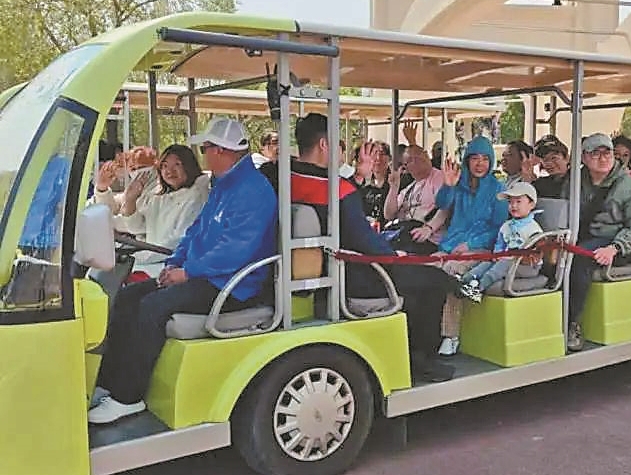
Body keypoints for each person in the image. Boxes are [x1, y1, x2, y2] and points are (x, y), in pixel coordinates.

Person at [88, 116, 278, 424]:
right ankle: (110, 382)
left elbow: (235, 249)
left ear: (220, 150)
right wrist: (175, 263)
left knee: (152, 306)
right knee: (127, 297)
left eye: (205, 148)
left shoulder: (253, 191)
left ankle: (128, 397)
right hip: (206, 275)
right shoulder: (224, 185)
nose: (204, 155)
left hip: (233, 284)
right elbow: (196, 232)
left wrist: (187, 272)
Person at [280, 112, 455, 382]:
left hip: (317, 270)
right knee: (434, 280)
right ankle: (420, 359)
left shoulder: (283, 176)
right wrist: (395, 256)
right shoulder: (337, 189)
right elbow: (365, 240)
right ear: (325, 144)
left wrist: (358, 176)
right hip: (353, 274)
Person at [567, 133, 631, 352]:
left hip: (616, 242)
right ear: (584, 157)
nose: (603, 158)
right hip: (580, 239)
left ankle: (572, 323)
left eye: (607, 153)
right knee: (551, 261)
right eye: (596, 153)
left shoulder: (630, 186)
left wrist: (615, 248)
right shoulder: (574, 181)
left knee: (578, 260)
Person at [434, 136, 508, 356]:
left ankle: (451, 336)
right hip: (451, 247)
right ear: (467, 160)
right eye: (475, 158)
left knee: (452, 272)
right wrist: (448, 185)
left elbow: (498, 229)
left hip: (482, 250)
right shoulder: (459, 184)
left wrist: (470, 244)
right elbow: (441, 204)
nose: (480, 163)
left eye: (485, 159)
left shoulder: (498, 189)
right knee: (427, 271)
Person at [94, 144, 210, 277]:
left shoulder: (198, 195)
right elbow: (138, 225)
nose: (170, 171)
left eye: (177, 164)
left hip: (172, 265)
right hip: (153, 260)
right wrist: (123, 198)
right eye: (165, 166)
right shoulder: (160, 195)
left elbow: (178, 241)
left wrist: (140, 257)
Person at [457, 182, 543, 302]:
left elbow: (536, 255)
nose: (513, 206)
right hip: (506, 260)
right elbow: (500, 243)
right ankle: (466, 279)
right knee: (487, 262)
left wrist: (512, 259)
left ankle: (478, 288)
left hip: (528, 266)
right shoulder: (506, 226)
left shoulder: (534, 229)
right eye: (510, 202)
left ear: (531, 204)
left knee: (503, 265)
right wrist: (497, 255)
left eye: (518, 202)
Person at [382, 145, 448, 253]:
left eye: (421, 154)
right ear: (406, 168)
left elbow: (446, 207)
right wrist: (394, 187)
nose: (419, 160)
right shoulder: (409, 189)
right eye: (411, 160)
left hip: (429, 240)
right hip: (406, 236)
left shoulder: (440, 178)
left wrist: (429, 228)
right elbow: (389, 215)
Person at [532, 135, 571, 199]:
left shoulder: (578, 180)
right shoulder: (541, 184)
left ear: (567, 158)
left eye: (553, 158)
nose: (548, 163)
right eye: (545, 160)